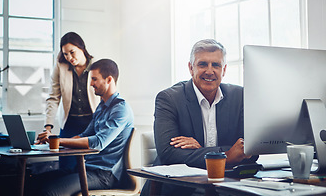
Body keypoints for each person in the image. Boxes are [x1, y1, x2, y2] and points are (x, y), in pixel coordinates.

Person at [141, 39, 257, 196]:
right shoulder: (169, 98)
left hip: (224, 186)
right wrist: (226, 156)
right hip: (177, 188)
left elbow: (250, 149)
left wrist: (201, 150)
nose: (209, 71)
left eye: (216, 65)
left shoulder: (240, 96)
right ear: (191, 68)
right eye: (202, 64)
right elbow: (168, 153)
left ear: (223, 70)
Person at [30, 59, 134, 196]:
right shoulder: (102, 106)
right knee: (34, 181)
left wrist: (58, 140)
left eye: (94, 79)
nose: (90, 84)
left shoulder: (121, 109)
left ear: (109, 80)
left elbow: (98, 143)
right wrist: (50, 143)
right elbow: (84, 135)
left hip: (104, 175)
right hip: (86, 168)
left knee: (50, 192)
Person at [39, 32, 100, 169]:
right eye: (66, 54)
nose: (69, 58)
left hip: (92, 123)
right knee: (66, 167)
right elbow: (53, 98)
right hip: (69, 124)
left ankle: (85, 191)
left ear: (82, 48)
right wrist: (47, 128)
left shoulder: (97, 66)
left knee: (90, 166)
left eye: (72, 52)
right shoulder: (61, 67)